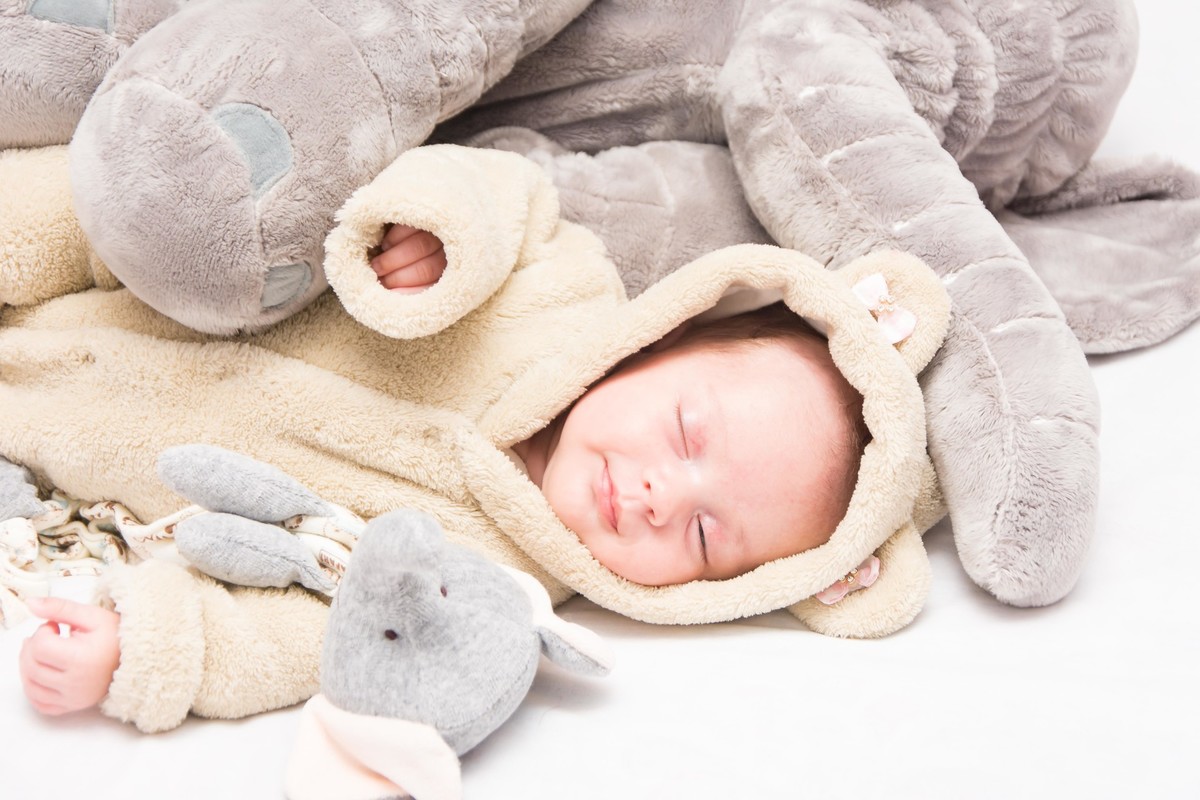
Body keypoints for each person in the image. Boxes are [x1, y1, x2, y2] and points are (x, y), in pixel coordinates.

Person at [20, 223, 866, 721]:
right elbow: (503, 195)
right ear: (663, 339)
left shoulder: (493, 586)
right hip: (150, 268)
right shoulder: (559, 288)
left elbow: (318, 640)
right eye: (685, 433)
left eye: (705, 534)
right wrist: (431, 237)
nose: (658, 497)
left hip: (59, 434)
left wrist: (146, 648)